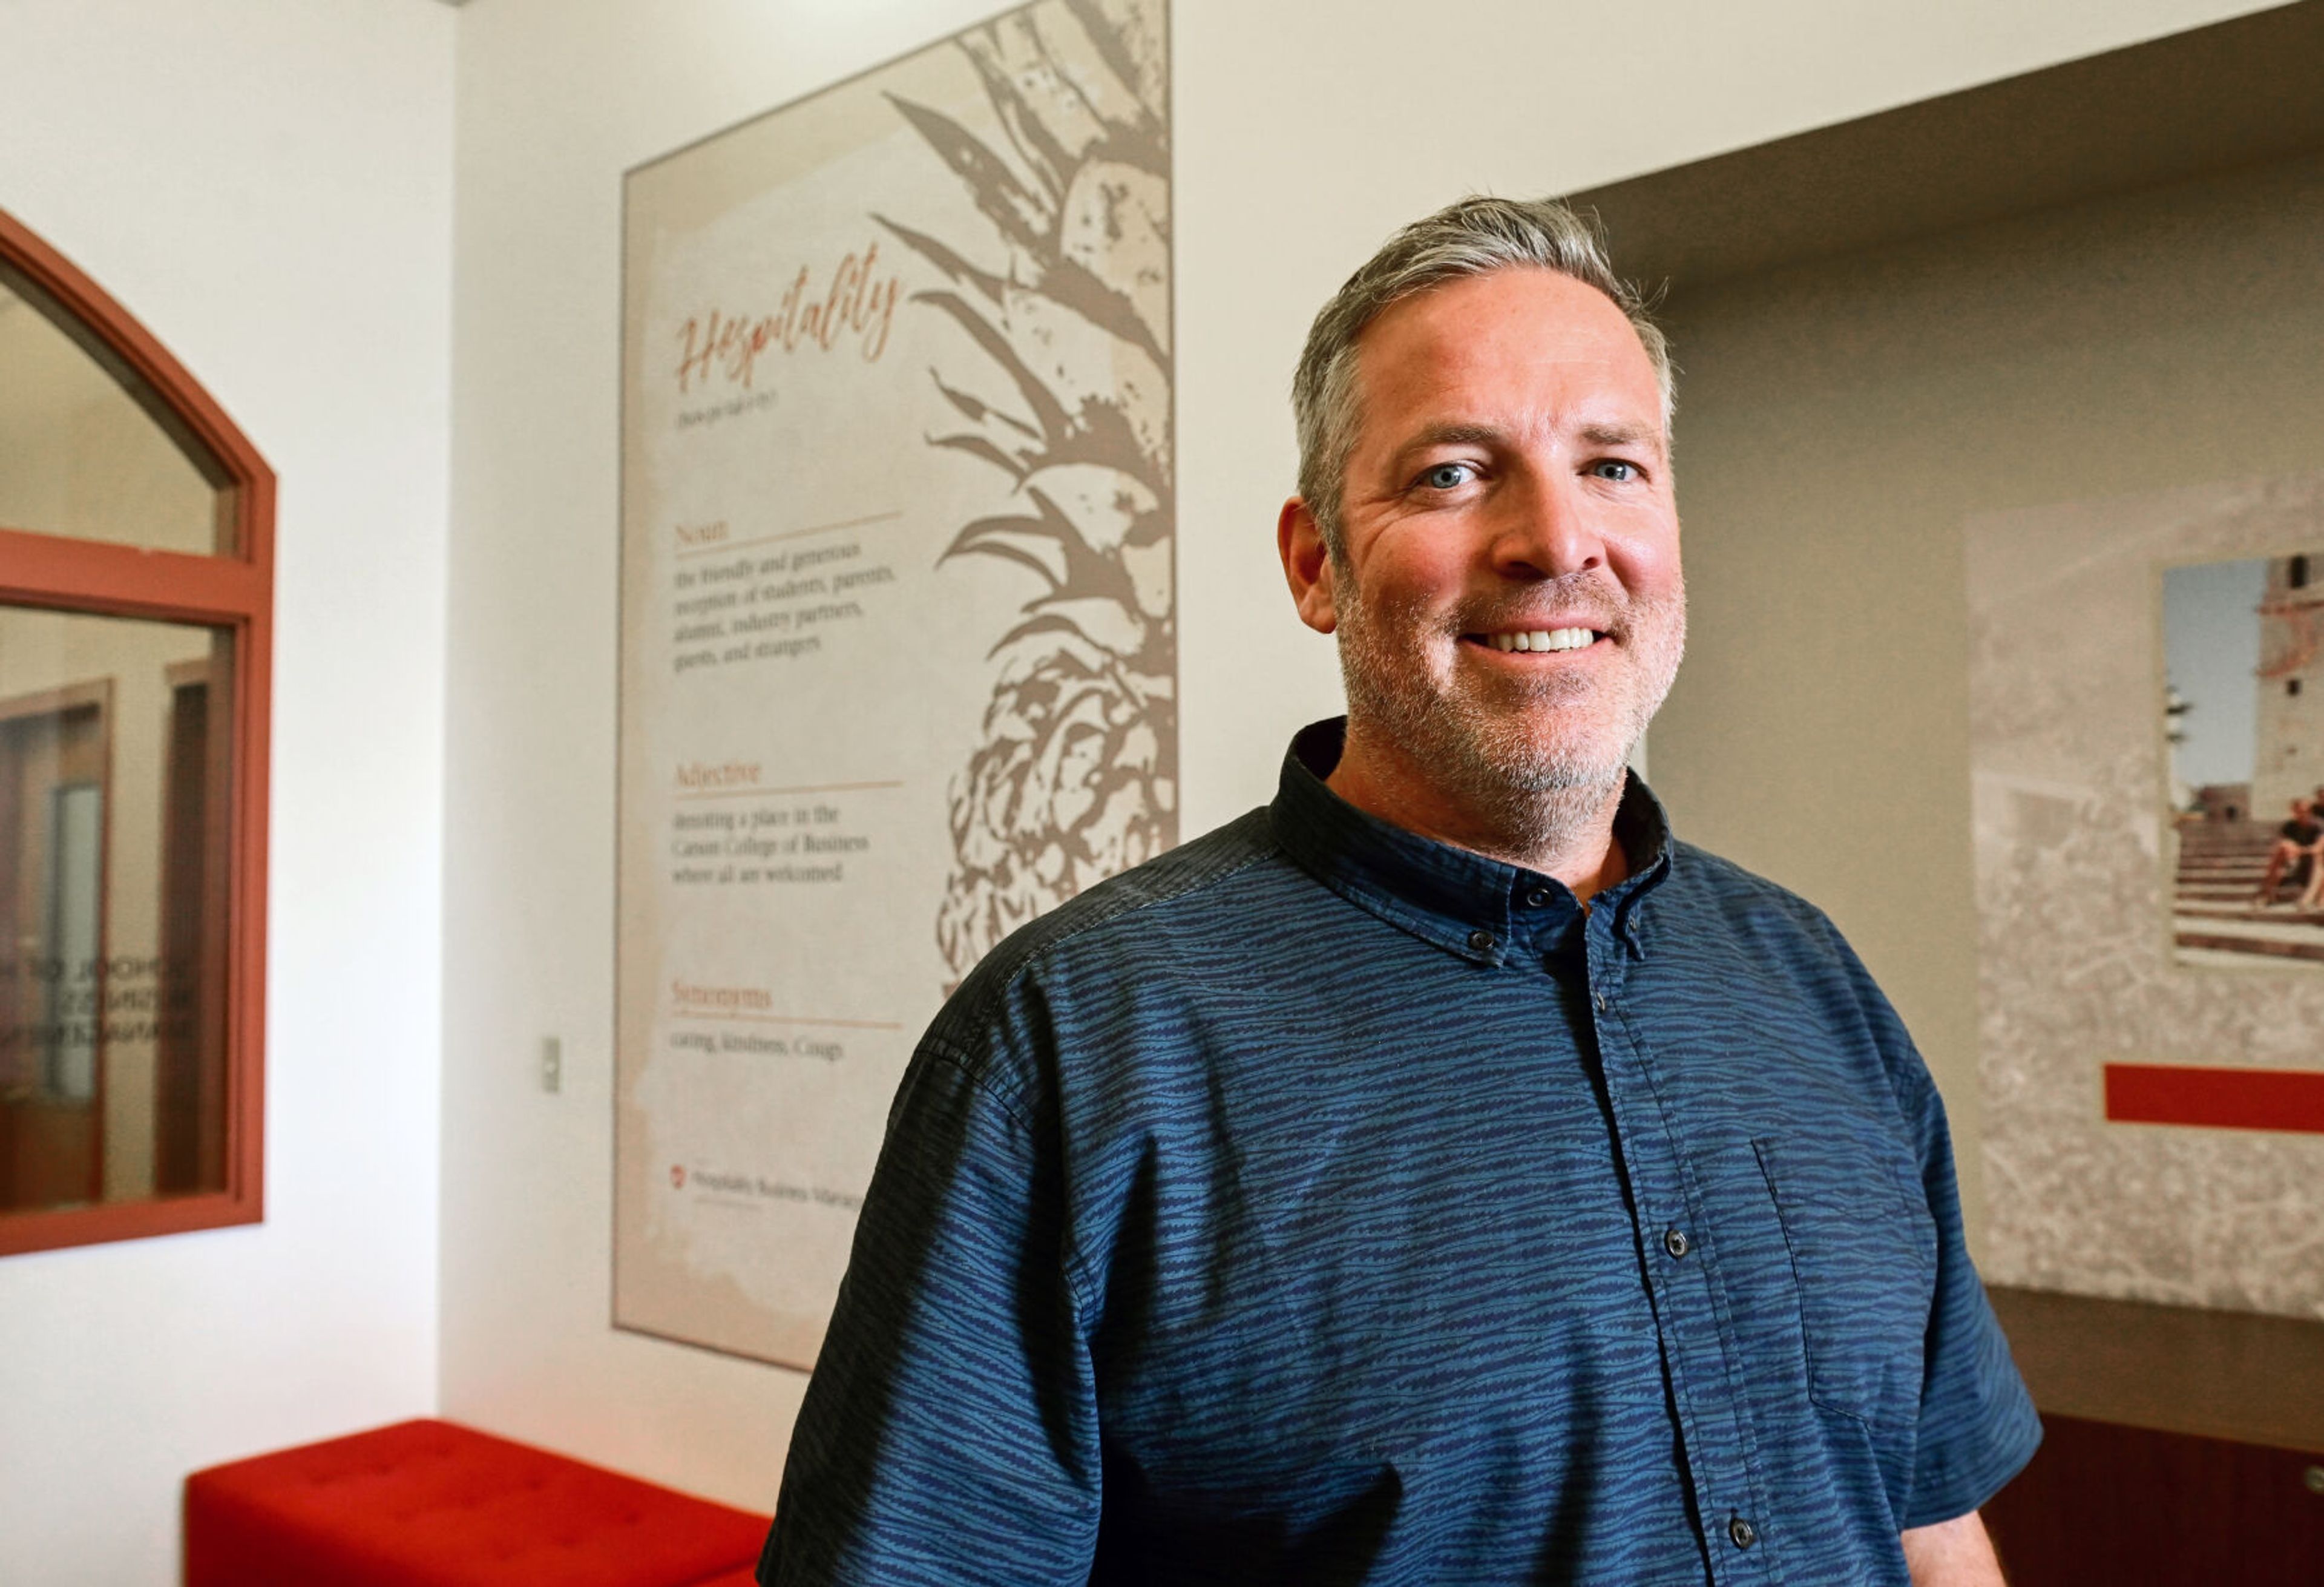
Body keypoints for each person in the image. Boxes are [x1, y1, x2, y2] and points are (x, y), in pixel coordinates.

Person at [759, 196, 2039, 1586]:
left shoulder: (1810, 982)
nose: (1556, 539)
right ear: (1316, 564)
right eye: (1449, 473)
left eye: (1612, 465)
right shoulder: (1074, 1045)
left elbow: (1927, 1523)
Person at [2254, 797, 2321, 907]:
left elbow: (2318, 848)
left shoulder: (2318, 826)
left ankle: (2308, 898)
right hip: (2298, 863)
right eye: (2298, 811)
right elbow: (2282, 844)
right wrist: (2290, 848)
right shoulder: (2290, 826)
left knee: (2319, 858)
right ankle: (2267, 893)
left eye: (2305, 811)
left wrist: (2300, 850)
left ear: (2310, 812)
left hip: (2315, 866)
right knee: (2282, 849)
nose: (2302, 814)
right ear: (2294, 812)